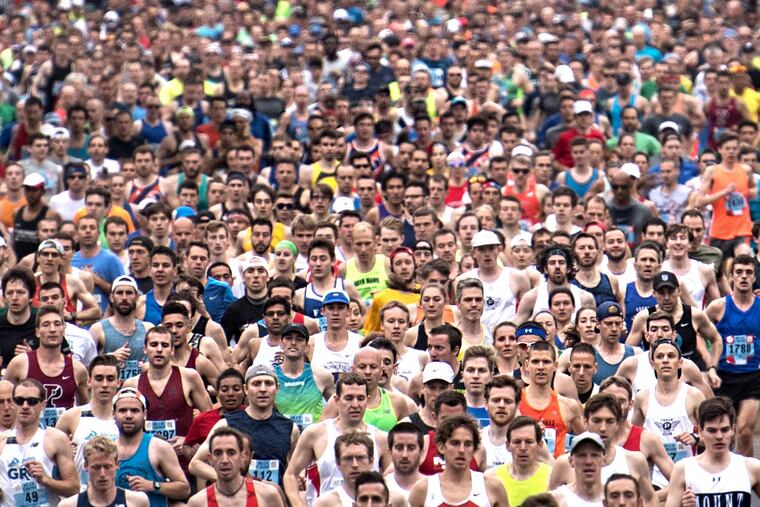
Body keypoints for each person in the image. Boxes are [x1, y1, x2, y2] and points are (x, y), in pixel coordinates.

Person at [283, 373, 389, 507]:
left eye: (360, 398)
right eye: (349, 398)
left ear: (367, 400)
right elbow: (290, 475)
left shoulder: (381, 439)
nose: (355, 404)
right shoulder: (316, 434)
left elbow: (390, 482)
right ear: (337, 400)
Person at [189, 364, 299, 487]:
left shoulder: (290, 428)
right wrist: (235, 479)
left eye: (268, 383)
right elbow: (195, 464)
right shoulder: (226, 425)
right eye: (256, 384)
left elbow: (295, 470)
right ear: (246, 389)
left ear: (277, 388)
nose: (263, 389)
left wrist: (299, 479)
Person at [122, 326, 212, 467]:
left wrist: (189, 441)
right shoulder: (132, 384)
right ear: (145, 349)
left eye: (164, 345)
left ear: (172, 350)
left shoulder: (189, 377)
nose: (159, 350)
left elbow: (209, 418)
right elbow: (122, 427)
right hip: (146, 464)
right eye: (153, 345)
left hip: (182, 463)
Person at [548, 394, 656, 506]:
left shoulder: (635, 460)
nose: (603, 428)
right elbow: (549, 502)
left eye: (609, 421)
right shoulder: (563, 463)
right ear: (585, 421)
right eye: (597, 421)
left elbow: (650, 498)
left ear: (618, 424)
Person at [631, 332, 704, 491]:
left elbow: (714, 437)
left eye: (671, 356)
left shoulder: (694, 395)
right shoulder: (643, 397)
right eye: (660, 356)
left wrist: (695, 438)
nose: (665, 360)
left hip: (688, 477)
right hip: (655, 478)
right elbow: (632, 437)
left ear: (679, 363)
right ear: (652, 363)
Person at [705, 253, 760, 457]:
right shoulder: (718, 307)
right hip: (723, 377)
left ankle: (744, 479)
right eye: (739, 272)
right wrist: (709, 361)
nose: (744, 276)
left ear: (754, 277)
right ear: (731, 277)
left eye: (749, 273)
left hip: (753, 376)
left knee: (744, 431)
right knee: (723, 432)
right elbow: (700, 331)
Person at [665, 396, 760, 507]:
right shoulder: (683, 469)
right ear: (700, 431)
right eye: (712, 430)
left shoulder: (751, 467)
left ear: (733, 430)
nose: (719, 436)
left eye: (724, 430)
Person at [5, 305, 90, 428]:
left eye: (57, 324)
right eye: (46, 324)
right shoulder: (19, 364)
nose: (52, 329)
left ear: (64, 329)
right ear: (37, 332)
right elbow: (5, 404)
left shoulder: (78, 369)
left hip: (64, 437)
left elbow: (84, 413)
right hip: (27, 437)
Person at [624, 271, 722, 376]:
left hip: (690, 374)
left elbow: (716, 339)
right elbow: (628, 350)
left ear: (679, 291)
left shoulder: (694, 315)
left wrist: (712, 368)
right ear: (654, 294)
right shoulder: (644, 317)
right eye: (661, 293)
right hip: (656, 374)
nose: (666, 298)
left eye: (671, 292)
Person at [408, 414, 509, 507]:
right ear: (441, 447)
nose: (461, 450)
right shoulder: (423, 489)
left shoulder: (492, 487)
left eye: (468, 444)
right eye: (455, 443)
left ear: (474, 448)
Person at [113, 388, 191, 507]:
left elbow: (184, 489)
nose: (128, 416)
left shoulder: (159, 447)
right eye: (122, 410)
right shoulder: (109, 450)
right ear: (113, 414)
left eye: (134, 411)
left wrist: (152, 485)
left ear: (145, 415)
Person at [55, 354, 120, 488]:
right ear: (89, 382)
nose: (105, 385)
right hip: (81, 495)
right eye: (99, 378)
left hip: (117, 494)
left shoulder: (127, 419)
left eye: (110, 379)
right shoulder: (71, 417)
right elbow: (51, 460)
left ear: (118, 383)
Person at [186, 427, 284, 507]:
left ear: (242, 457)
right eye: (218, 453)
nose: (224, 460)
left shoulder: (268, 495)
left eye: (231, 453)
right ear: (210, 459)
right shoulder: (197, 503)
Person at [519, 340, 584, 458]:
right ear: (527, 365)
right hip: (523, 473)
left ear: (555, 366)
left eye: (546, 362)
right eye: (535, 362)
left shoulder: (568, 406)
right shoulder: (515, 403)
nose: (540, 367)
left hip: (555, 474)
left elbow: (586, 441)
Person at [456, 229, 530, 329]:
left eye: (491, 248)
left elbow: (527, 312)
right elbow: (458, 313)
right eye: (482, 249)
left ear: (498, 250)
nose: (487, 254)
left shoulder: (517, 277)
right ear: (473, 253)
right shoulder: (463, 280)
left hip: (507, 337)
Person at [314, 432, 403, 507]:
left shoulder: (396, 499)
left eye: (360, 458)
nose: (355, 465)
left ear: (371, 461)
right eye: (348, 459)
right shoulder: (326, 503)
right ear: (338, 463)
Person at [90, 275, 153, 381]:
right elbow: (87, 364)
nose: (124, 297)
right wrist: (110, 358)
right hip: (110, 394)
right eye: (119, 293)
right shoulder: (98, 329)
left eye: (129, 293)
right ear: (111, 297)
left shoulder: (148, 328)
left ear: (137, 297)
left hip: (140, 393)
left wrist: (149, 366)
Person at [274, 323, 335, 431]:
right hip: (281, 438)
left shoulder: (322, 376)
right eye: (288, 338)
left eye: (299, 339)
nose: (293, 343)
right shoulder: (271, 377)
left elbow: (337, 406)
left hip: (313, 440)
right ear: (281, 344)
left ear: (307, 347)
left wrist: (321, 425)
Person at [58, 436, 150, 507]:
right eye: (96, 467)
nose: (102, 474)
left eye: (107, 467)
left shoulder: (137, 502)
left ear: (117, 465)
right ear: (86, 466)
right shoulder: (69, 505)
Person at [487, 416, 552, 507]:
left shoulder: (552, 478)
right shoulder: (492, 478)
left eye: (529, 442)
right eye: (517, 442)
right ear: (507, 445)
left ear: (540, 445)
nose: (523, 448)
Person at [183, 368, 246, 457]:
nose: (230, 394)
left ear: (244, 391)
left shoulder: (253, 417)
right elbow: (186, 445)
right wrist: (191, 453)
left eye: (236, 389)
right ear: (218, 393)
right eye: (224, 390)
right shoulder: (203, 418)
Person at [71, 214, 125, 314]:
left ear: (99, 233)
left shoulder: (111, 259)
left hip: (104, 319)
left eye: (92, 228)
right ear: (77, 233)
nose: (88, 231)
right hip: (76, 320)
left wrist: (97, 280)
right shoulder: (71, 260)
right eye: (83, 228)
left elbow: (124, 292)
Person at [550, 432, 606, 507]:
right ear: (571, 461)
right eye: (582, 455)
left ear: (604, 460)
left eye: (595, 455)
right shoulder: (556, 500)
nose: (588, 461)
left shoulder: (616, 500)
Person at [481, 375, 521, 469]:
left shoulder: (529, 442)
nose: (501, 405)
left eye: (508, 401)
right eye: (496, 400)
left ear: (518, 405)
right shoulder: (476, 441)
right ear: (485, 403)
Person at [385, 422, 425, 502]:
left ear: (421, 452)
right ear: (390, 452)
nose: (404, 455)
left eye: (411, 448)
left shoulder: (433, 487)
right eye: (399, 448)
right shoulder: (382, 487)